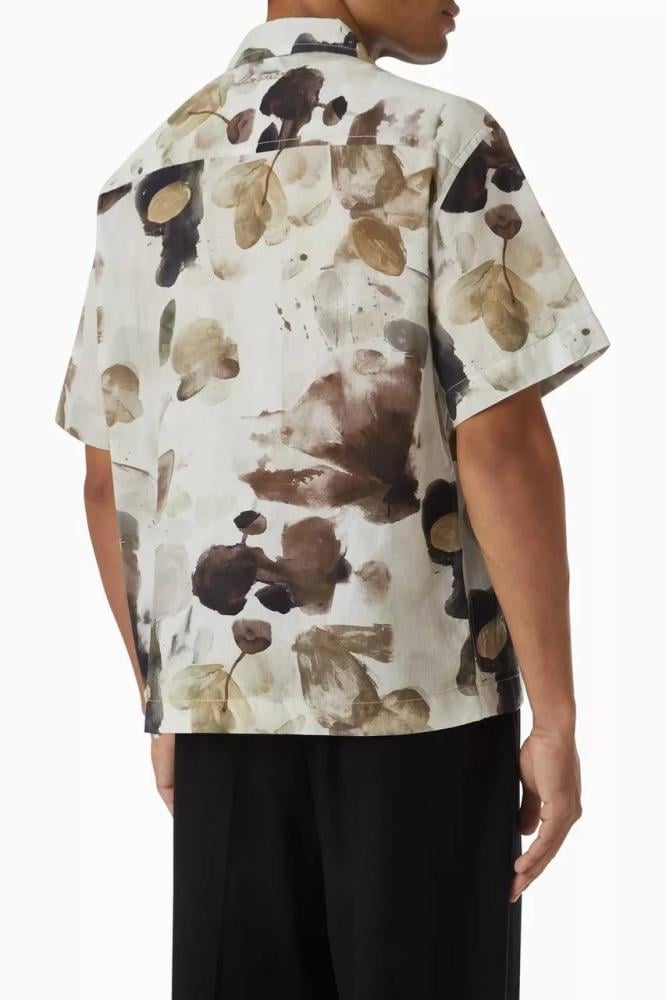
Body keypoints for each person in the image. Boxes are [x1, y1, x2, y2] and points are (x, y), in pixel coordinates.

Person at [54, 2, 609, 997]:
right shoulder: (444, 140)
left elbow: (107, 481)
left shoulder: (145, 176)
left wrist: (164, 700)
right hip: (424, 711)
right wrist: (558, 721)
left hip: (222, 713)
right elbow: (501, 445)